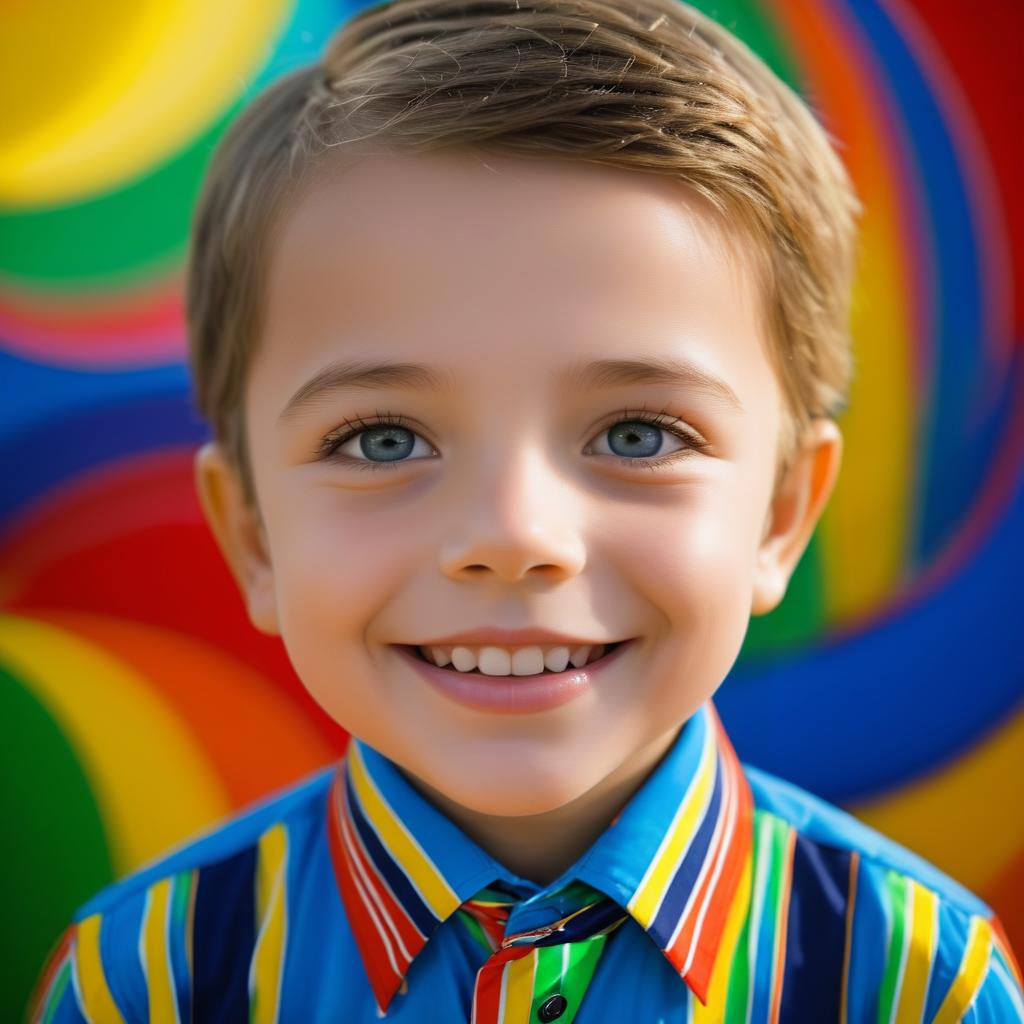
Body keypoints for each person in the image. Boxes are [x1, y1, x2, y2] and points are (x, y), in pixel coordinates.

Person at [27, 0, 1024, 1020]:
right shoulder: (148, 979)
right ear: (250, 533)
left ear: (779, 516)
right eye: (382, 439)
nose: (513, 536)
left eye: (637, 434)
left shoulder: (916, 983)